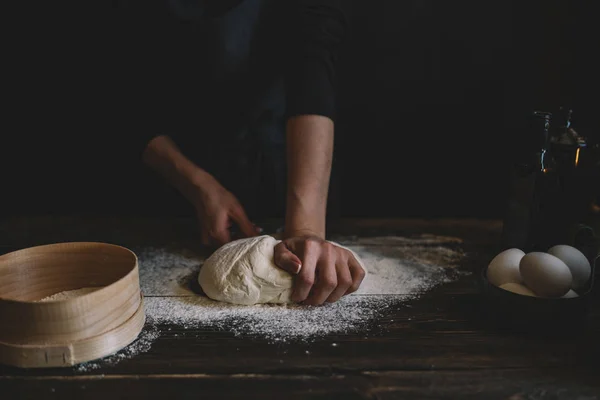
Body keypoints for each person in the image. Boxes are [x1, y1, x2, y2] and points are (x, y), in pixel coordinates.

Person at [113, 0, 365, 305]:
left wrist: (306, 228)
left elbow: (312, 57)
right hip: (168, 179)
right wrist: (195, 184)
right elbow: (119, 86)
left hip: (291, 160)